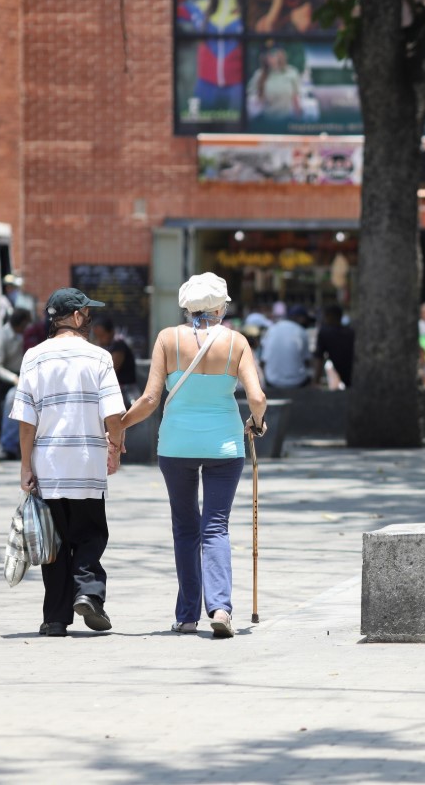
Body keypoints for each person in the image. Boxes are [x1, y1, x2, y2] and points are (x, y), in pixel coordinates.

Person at [119, 273, 267, 638]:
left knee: (185, 528)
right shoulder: (237, 343)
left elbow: (151, 399)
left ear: (188, 307)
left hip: (176, 446)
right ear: (220, 307)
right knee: (215, 526)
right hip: (225, 446)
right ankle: (219, 607)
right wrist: (257, 422)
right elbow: (258, 398)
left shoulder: (168, 339)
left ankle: (187, 615)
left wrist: (118, 427)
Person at [11, 288, 126, 637]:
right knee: (90, 535)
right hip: (87, 463)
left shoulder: (33, 357)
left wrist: (26, 465)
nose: (89, 319)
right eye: (87, 313)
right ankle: (89, 593)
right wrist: (115, 447)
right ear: (77, 317)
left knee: (54, 544)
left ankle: (56, 619)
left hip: (48, 466)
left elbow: (26, 420)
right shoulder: (100, 358)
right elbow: (114, 414)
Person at [0, 308, 31, 434]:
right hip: (7, 375)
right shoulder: (3, 336)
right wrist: (12, 378)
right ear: (20, 324)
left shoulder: (27, 334)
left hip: (23, 373)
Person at [259, 304, 311, 388]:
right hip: (297, 382)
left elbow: (263, 362)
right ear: (301, 318)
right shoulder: (302, 331)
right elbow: (307, 362)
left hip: (272, 381)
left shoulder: (272, 329)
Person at [247, 45, 302, 120]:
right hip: (266, 120)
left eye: (272, 53)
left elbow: (295, 98)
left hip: (286, 120)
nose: (269, 57)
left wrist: (299, 119)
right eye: (266, 54)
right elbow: (250, 97)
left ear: (281, 55)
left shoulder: (291, 72)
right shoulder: (259, 74)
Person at [91, 318, 139, 403]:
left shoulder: (118, 345)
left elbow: (111, 368)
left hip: (126, 392)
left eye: (102, 335)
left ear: (111, 332)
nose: (99, 339)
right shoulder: (102, 346)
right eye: (96, 336)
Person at [314, 303, 355, 389]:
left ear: (330, 316)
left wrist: (316, 381)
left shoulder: (325, 332)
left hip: (343, 375)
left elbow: (319, 358)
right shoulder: (350, 332)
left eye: (325, 316)